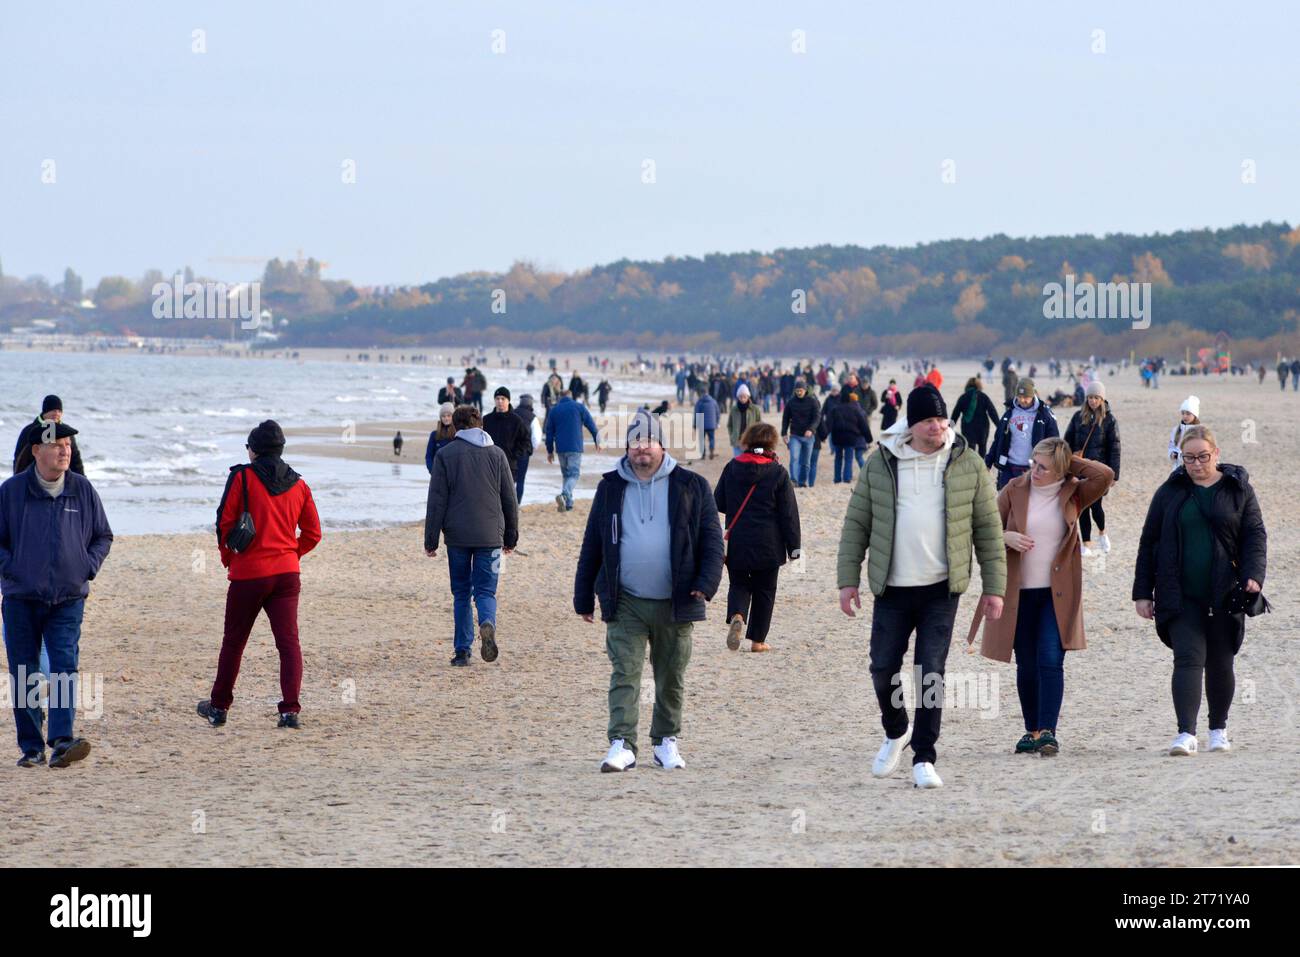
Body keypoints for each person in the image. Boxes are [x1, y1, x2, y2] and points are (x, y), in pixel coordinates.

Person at [836, 384, 1006, 789]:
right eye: (929, 420)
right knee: (882, 669)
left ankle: (924, 757)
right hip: (891, 588)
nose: (938, 426)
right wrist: (847, 581)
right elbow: (856, 524)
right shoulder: (882, 462)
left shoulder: (968, 463)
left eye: (942, 418)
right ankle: (897, 730)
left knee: (930, 672)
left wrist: (994, 588)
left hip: (940, 589)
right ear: (911, 425)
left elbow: (988, 529)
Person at [574, 410, 723, 772]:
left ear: (662, 445)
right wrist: (583, 596)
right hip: (625, 599)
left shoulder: (692, 485)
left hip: (678, 598)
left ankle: (666, 741)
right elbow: (593, 543)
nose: (641, 448)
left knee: (671, 675)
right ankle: (622, 744)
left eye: (648, 441)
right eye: (635, 442)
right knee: (624, 672)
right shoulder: (610, 487)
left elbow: (712, 541)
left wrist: (706, 584)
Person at [974, 438, 1113, 757]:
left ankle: (1049, 731)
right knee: (1026, 664)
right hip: (1019, 593)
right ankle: (1031, 730)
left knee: (1050, 658)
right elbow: (983, 528)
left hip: (1057, 594)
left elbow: (1104, 475)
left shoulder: (1074, 492)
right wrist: (1004, 536)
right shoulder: (1014, 489)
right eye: (1033, 463)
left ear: (1060, 470)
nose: (1033, 470)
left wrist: (1068, 461)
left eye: (1042, 467)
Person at [1133, 426, 1266, 757]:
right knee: (1188, 658)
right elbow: (1149, 541)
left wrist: (1253, 575)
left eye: (1202, 456)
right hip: (1179, 593)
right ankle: (1185, 734)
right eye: (1188, 457)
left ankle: (1218, 729)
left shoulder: (1239, 489)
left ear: (1216, 454)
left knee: (1221, 660)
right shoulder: (1170, 491)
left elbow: (1254, 534)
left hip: (1226, 590)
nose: (1195, 464)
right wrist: (1142, 592)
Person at [0, 422, 112, 767]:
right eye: (56, 445)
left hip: (68, 598)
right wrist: (13, 568)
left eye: (67, 445)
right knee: (25, 672)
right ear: (36, 450)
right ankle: (32, 749)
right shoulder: (13, 492)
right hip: (21, 598)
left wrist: (85, 567)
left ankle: (62, 741)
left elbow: (102, 536)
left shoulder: (82, 490)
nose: (65, 450)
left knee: (64, 667)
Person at [197, 420, 321, 729]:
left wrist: (229, 559)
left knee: (234, 643)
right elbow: (313, 533)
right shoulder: (300, 484)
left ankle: (219, 707)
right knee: (289, 643)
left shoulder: (242, 477)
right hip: (286, 574)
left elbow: (224, 523)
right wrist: (292, 553)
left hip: (249, 574)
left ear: (254, 450)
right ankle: (290, 711)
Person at [425, 405, 519, 666]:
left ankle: (463, 651)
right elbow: (509, 499)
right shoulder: (497, 455)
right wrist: (511, 537)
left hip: (457, 537)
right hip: (490, 535)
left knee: (462, 593)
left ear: (455, 427)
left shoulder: (446, 455)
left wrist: (431, 540)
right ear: (480, 425)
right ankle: (487, 622)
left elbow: (436, 501)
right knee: (486, 591)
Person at [715, 423, 800, 653]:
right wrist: (795, 549)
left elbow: (719, 502)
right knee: (765, 590)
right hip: (769, 543)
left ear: (747, 440)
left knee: (739, 583)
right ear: (771, 442)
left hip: (738, 540)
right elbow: (789, 514)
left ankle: (738, 615)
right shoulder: (778, 472)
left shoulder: (732, 467)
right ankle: (757, 641)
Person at [1064, 381, 1122, 555]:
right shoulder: (1077, 416)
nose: (1093, 401)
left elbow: (1115, 447)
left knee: (1096, 506)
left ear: (1102, 399)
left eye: (1096, 397)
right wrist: (1066, 461)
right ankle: (1087, 544)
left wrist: (1114, 475)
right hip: (1080, 469)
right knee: (1082, 506)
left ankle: (1102, 532)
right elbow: (1067, 440)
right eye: (1090, 397)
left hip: (1100, 472)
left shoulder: (1109, 420)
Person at [987, 378, 1059, 490]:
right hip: (1008, 467)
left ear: (1033, 395)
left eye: (1026, 397)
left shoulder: (1045, 414)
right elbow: (998, 439)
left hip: (1033, 468)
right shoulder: (1009, 413)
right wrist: (988, 462)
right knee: (1006, 502)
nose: (1022, 400)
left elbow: (1055, 442)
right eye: (1019, 397)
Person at [544, 389, 600, 512]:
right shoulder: (579, 407)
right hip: (575, 447)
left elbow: (549, 433)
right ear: (571, 396)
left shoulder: (554, 410)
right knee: (573, 474)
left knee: (566, 475)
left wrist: (549, 451)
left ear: (560, 397)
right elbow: (591, 424)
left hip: (561, 448)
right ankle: (565, 494)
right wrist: (597, 440)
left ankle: (568, 503)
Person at [13, 395, 85, 476]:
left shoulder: (67, 432)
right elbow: (19, 459)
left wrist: (82, 481)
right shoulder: (29, 431)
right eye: (53, 410)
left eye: (59, 411)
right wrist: (18, 481)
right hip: (33, 478)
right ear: (45, 411)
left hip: (62, 480)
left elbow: (76, 461)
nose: (56, 414)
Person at [482, 387, 532, 489]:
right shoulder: (486, 419)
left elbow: (526, 442)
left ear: (508, 401)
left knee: (506, 497)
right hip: (489, 465)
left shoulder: (516, 420)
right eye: (497, 398)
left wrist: (514, 454)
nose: (500, 401)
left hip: (509, 465)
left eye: (503, 399)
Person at [780, 377, 821, 487]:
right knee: (794, 458)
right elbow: (785, 418)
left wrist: (811, 429)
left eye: (800, 390)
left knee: (806, 462)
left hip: (809, 436)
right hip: (795, 435)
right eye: (797, 391)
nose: (799, 392)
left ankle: (802, 482)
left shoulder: (813, 401)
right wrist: (784, 433)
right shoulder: (791, 402)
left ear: (805, 390)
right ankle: (794, 480)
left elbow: (817, 417)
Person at [949, 377, 999, 458]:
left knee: (970, 450)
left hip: (968, 428)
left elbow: (955, 414)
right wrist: (999, 426)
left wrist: (950, 427)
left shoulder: (963, 397)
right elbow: (992, 412)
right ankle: (981, 466)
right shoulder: (983, 396)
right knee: (982, 448)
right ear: (979, 386)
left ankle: (971, 466)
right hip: (982, 427)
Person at [828, 390, 871, 483]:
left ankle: (837, 478)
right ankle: (847, 478)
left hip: (837, 437)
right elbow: (863, 424)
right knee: (848, 458)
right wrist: (868, 438)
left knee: (838, 458)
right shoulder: (855, 410)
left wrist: (824, 435)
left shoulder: (835, 409)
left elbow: (829, 424)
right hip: (850, 437)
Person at [512, 394, 543, 503]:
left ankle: (507, 503)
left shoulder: (512, 413)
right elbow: (536, 436)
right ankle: (517, 503)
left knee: (509, 479)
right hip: (524, 452)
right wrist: (533, 447)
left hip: (510, 451)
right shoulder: (532, 417)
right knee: (520, 480)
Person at [727, 384, 763, 458]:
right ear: (738, 397)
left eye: (744, 397)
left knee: (751, 463)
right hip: (737, 442)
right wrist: (732, 436)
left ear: (748, 396)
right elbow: (729, 425)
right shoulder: (734, 410)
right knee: (739, 463)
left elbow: (759, 424)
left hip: (751, 442)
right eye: (740, 397)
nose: (742, 399)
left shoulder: (755, 409)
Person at [1167, 396, 1200, 471]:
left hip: (1194, 469)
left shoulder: (1199, 431)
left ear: (1195, 415)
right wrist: (1172, 453)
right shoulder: (1176, 430)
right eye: (1183, 413)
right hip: (1177, 468)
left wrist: (1180, 456)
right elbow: (1171, 446)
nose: (1185, 416)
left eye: (1188, 414)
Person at [424, 403, 457, 473]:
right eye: (443, 416)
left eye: (449, 416)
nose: (446, 418)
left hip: (453, 473)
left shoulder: (457, 434)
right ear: (440, 418)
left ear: (453, 417)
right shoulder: (434, 434)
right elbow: (428, 456)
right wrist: (432, 470)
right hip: (437, 472)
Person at [693, 390, 720, 460]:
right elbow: (718, 413)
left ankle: (703, 454)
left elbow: (696, 414)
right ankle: (711, 450)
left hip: (702, 425)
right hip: (711, 425)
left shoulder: (699, 402)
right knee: (711, 438)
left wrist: (695, 424)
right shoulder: (714, 402)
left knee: (701, 440)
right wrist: (717, 422)